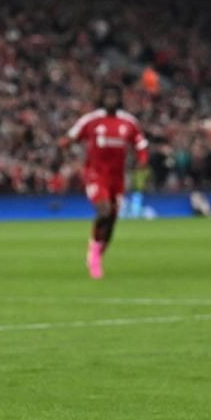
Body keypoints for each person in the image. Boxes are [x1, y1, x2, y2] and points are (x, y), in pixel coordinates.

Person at [59, 85, 148, 279]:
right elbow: (68, 138)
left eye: (114, 96)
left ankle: (99, 252)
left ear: (119, 99)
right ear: (102, 98)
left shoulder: (129, 122)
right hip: (96, 175)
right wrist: (68, 151)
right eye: (107, 96)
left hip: (118, 178)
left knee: (111, 221)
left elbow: (141, 145)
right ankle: (93, 251)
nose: (111, 99)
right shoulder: (91, 120)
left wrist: (142, 161)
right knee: (104, 210)